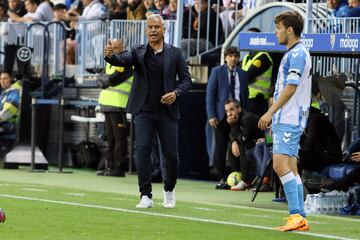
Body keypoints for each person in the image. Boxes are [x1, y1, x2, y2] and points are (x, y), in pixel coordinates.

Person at [104, 14, 191, 208]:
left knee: (171, 155)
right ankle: (145, 196)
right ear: (146, 30)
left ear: (163, 30)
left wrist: (176, 93)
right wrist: (110, 56)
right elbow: (121, 60)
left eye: (156, 27)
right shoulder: (138, 51)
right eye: (150, 27)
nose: (153, 30)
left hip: (167, 112)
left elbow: (186, 81)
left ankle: (169, 190)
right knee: (142, 152)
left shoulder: (175, 54)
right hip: (143, 110)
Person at [258, 11, 312, 232]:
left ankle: (296, 215)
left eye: (278, 27)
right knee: (291, 167)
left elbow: (291, 88)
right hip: (289, 118)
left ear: (290, 30)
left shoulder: (297, 54)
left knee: (280, 165)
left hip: (289, 118)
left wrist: (270, 112)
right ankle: (301, 215)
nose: (275, 32)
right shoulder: (295, 52)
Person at [206, 46, 249, 189]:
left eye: (236, 56)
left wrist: (245, 114)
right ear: (225, 57)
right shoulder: (217, 72)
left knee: (238, 145)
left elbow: (245, 96)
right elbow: (210, 95)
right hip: (221, 115)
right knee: (221, 147)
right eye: (230, 56)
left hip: (238, 115)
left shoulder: (243, 74)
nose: (233, 59)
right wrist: (211, 115)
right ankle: (222, 177)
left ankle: (238, 176)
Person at [98, 39, 133, 177]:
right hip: (107, 104)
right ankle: (110, 166)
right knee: (110, 138)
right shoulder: (110, 61)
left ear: (122, 47)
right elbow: (100, 78)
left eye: (116, 47)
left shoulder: (125, 62)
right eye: (112, 47)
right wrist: (104, 80)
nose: (114, 50)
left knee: (120, 138)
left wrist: (105, 80)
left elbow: (112, 79)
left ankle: (119, 167)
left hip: (118, 105)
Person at [225, 99, 263, 191]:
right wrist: (234, 141)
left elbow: (243, 139)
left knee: (242, 146)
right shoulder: (236, 119)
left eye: (231, 109)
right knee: (233, 146)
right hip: (253, 143)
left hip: (264, 143)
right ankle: (236, 174)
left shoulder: (247, 118)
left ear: (239, 108)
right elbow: (235, 136)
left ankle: (245, 181)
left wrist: (233, 126)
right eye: (227, 111)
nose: (229, 113)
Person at [298, 107, 342, 172]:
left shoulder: (316, 119)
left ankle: (292, 181)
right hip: (322, 155)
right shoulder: (311, 119)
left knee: (295, 155)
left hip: (330, 158)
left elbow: (307, 146)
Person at [241, 27, 273, 117]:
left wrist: (245, 78)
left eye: (251, 36)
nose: (248, 39)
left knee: (256, 128)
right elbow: (240, 76)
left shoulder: (263, 56)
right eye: (247, 36)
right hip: (246, 98)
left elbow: (247, 75)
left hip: (258, 100)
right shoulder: (247, 57)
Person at [0, 72, 20, 151]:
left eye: (5, 79)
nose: (2, 81)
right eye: (1, 79)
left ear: (11, 79)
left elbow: (6, 112)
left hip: (8, 131)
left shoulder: (14, 93)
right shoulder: (4, 93)